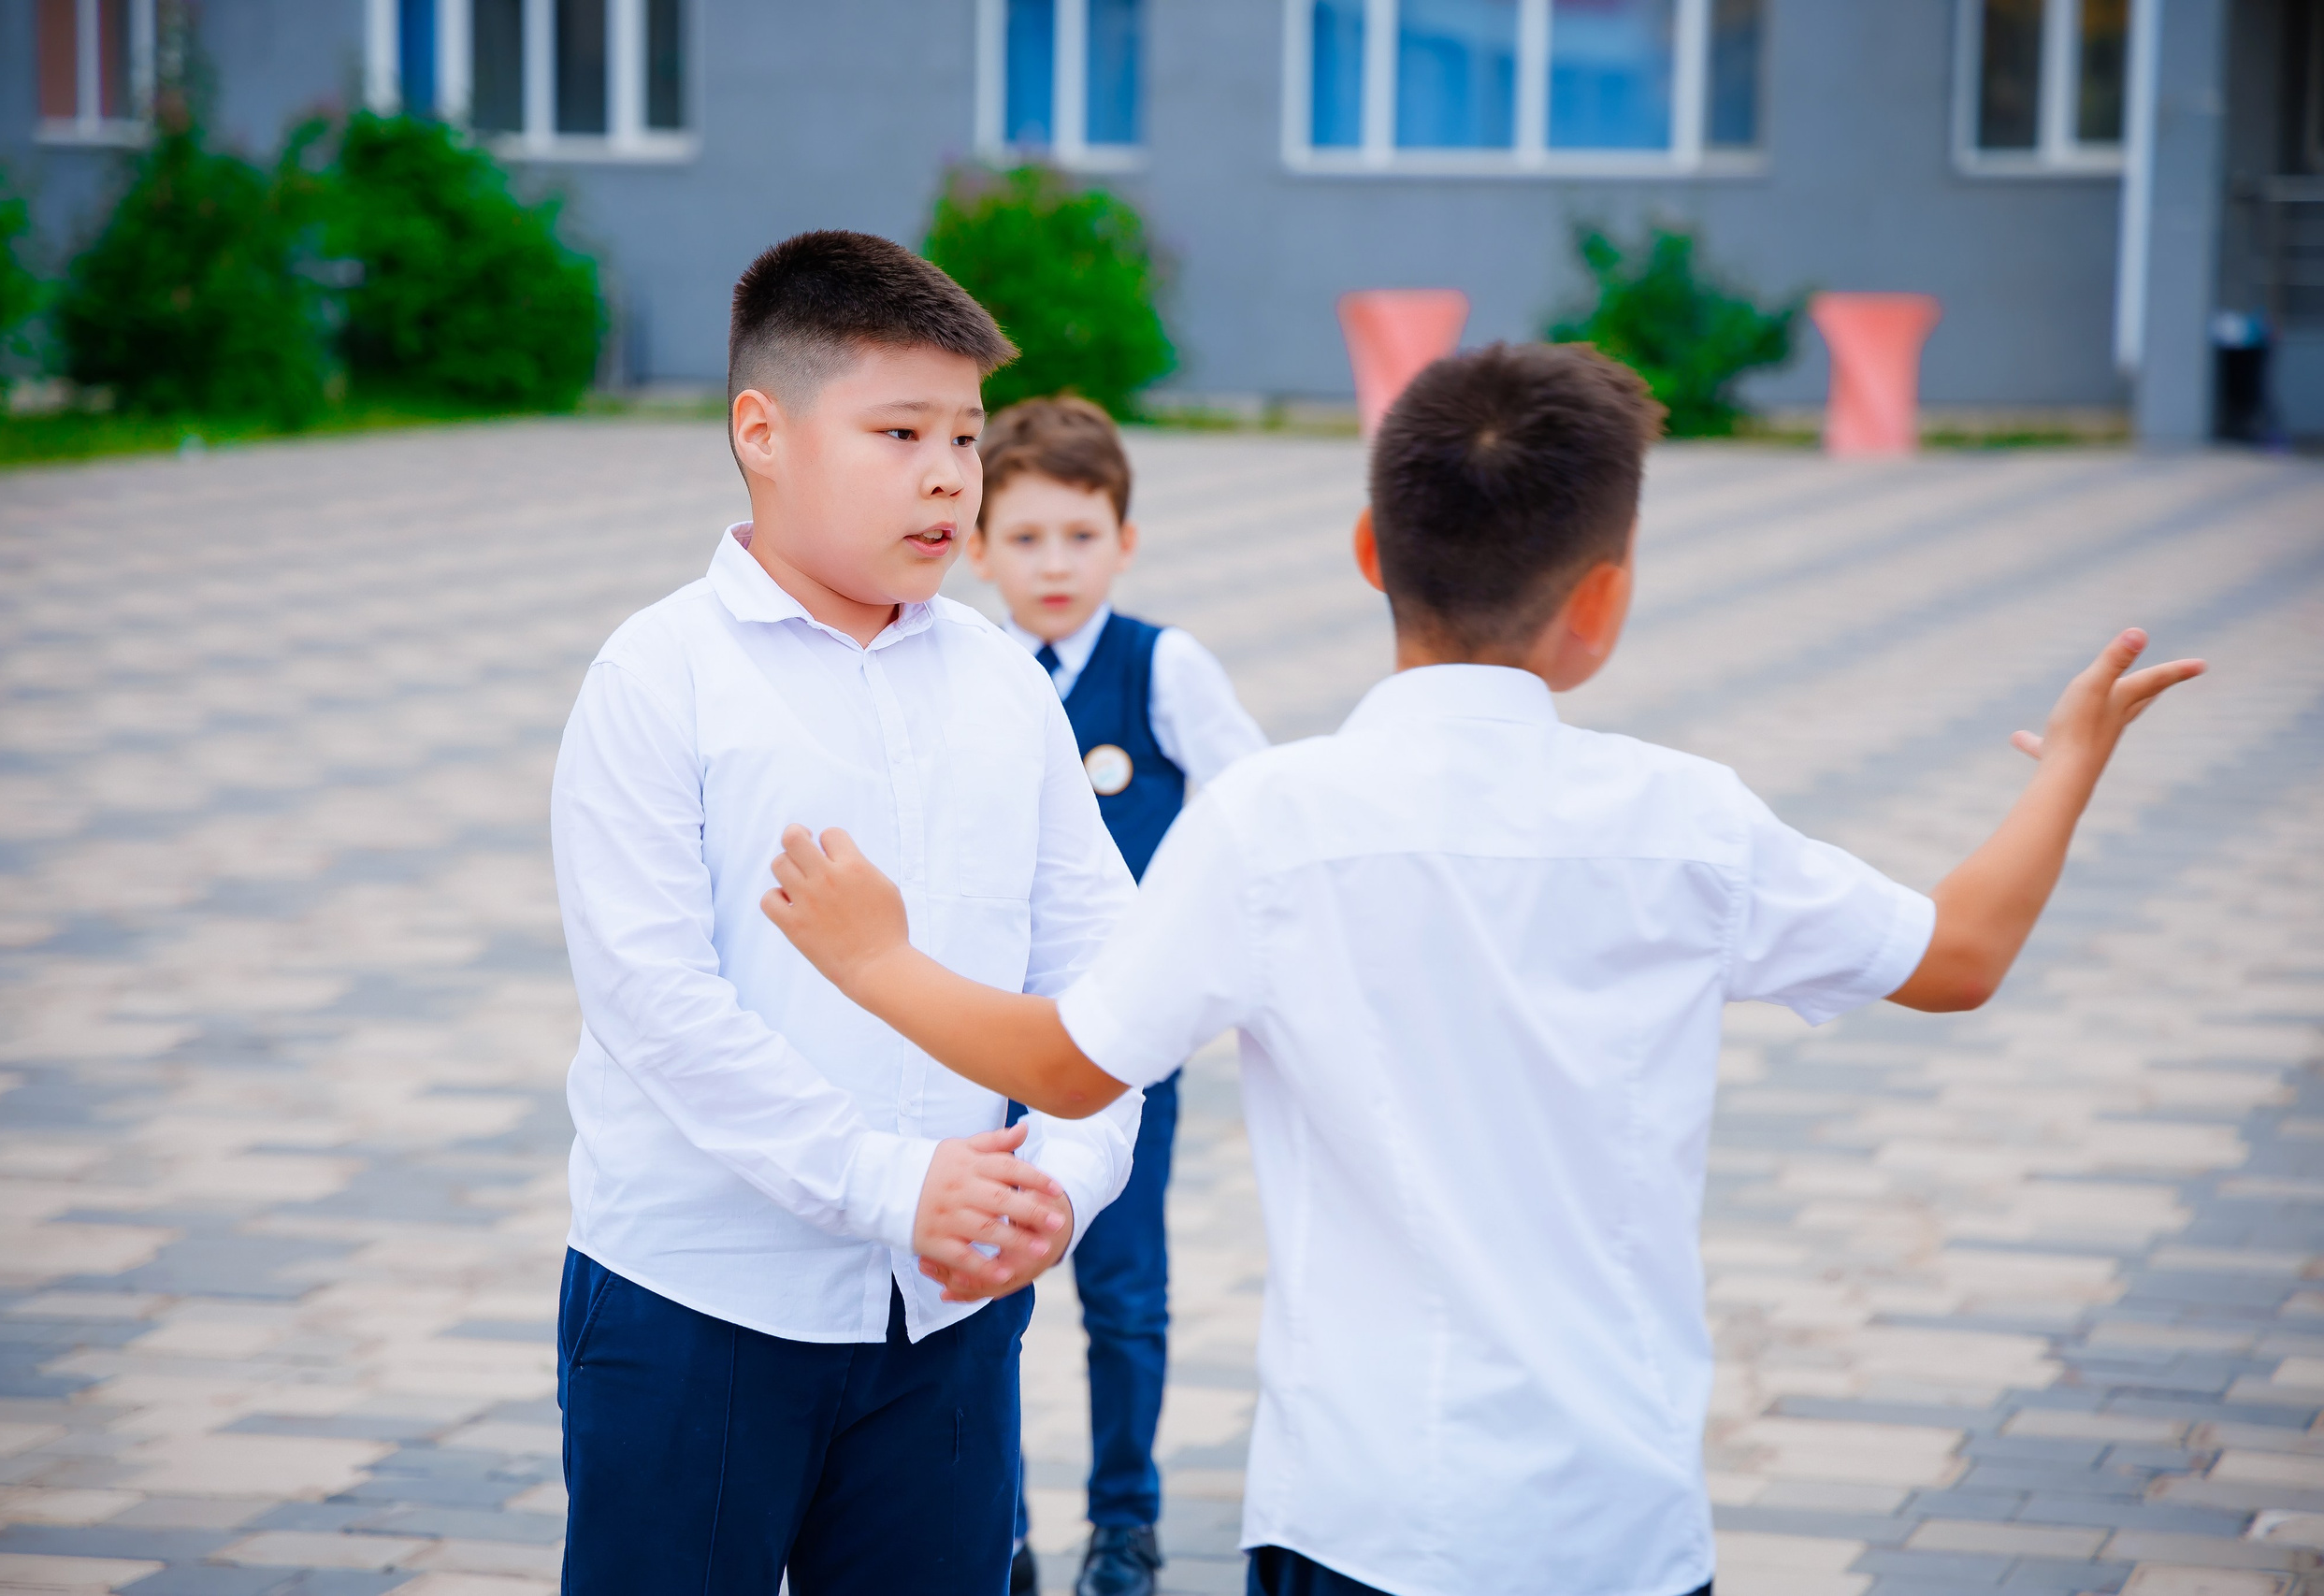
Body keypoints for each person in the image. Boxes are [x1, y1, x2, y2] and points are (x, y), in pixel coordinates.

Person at [756, 341, 2207, 1596]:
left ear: (1371, 551)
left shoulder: (1278, 821)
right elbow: (1958, 954)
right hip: (1619, 1520)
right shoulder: (1686, 820)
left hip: (1361, 1505)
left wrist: (877, 959)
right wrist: (2067, 769)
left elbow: (1070, 1060)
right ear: (1605, 599)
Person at [547, 230, 1147, 1596]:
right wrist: (893, 1183)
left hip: (949, 1315)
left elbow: (1109, 968)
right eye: (899, 431)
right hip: (700, 1304)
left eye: (967, 436)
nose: (948, 475)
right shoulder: (661, 677)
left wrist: (1061, 1178)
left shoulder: (1003, 682)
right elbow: (656, 1005)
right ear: (763, 430)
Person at [967, 396, 1269, 1596]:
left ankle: (1125, 1526)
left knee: (1123, 1291)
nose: (1054, 564)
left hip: (1126, 1042)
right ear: (979, 544)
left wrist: (1176, 931)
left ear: (1124, 540)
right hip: (984, 1034)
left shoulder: (1163, 666)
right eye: (1026, 538)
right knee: (976, 1292)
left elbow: (1250, 804)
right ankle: (995, 1528)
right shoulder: (971, 665)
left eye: (1080, 537)